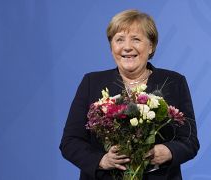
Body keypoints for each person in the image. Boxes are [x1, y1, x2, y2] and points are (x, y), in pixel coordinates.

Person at [60, 9, 199, 180]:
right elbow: (70, 142)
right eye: (119, 39)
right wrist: (101, 160)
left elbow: (190, 140)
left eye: (136, 39)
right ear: (112, 47)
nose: (127, 47)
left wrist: (169, 151)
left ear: (151, 46)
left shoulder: (174, 82)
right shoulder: (92, 82)